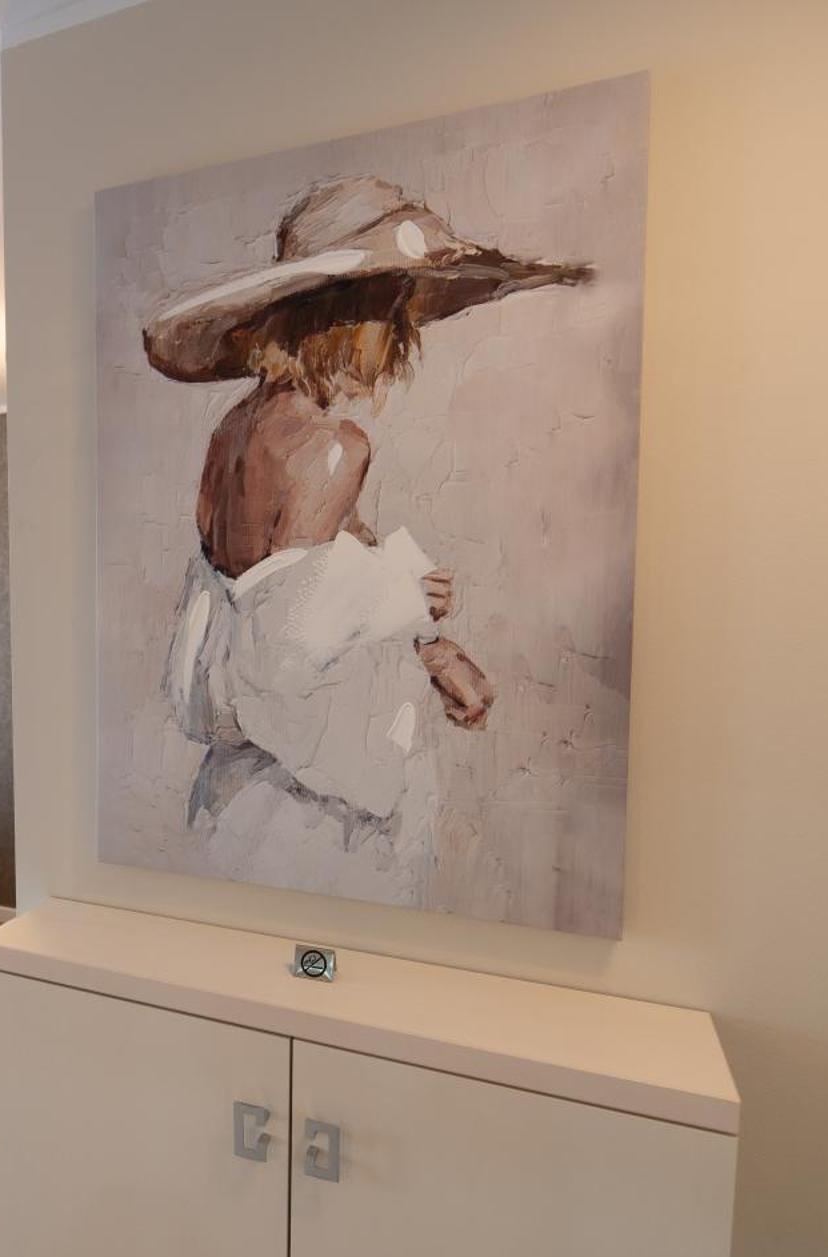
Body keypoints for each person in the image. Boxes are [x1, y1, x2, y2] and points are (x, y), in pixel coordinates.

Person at [145, 175, 587, 828]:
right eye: (395, 305)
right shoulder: (335, 448)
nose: (405, 335)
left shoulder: (231, 433)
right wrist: (400, 598)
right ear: (348, 317)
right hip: (308, 808)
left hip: (230, 794)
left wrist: (428, 640)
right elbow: (286, 658)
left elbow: (277, 599)